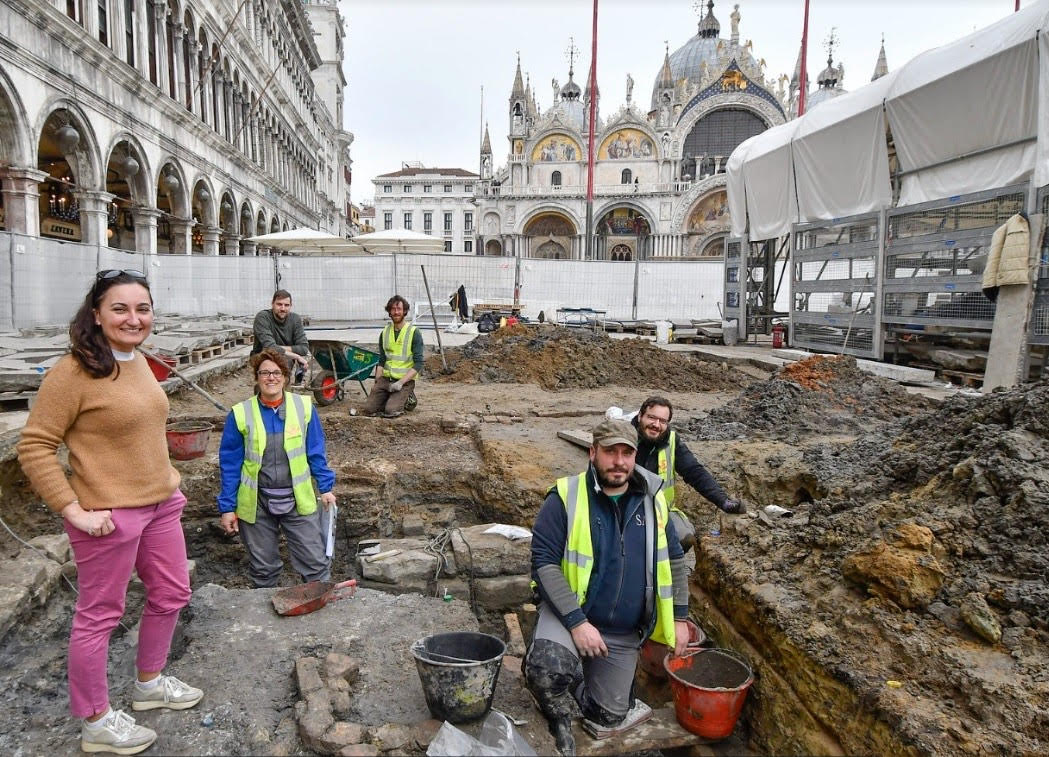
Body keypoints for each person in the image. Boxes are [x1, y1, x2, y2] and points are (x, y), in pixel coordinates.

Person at [17, 270, 202, 755]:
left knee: (171, 592)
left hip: (161, 504)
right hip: (110, 514)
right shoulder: (73, 372)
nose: (133, 318)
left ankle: (149, 684)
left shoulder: (138, 360)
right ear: (96, 314)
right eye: (120, 308)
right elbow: (35, 446)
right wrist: (71, 509)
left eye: (142, 308)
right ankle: (96, 720)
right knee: (99, 614)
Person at [525, 419, 690, 756]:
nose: (618, 461)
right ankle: (558, 712)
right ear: (592, 453)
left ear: (634, 455)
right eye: (610, 452)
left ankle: (585, 682)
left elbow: (674, 559)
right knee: (546, 669)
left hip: (622, 631)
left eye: (626, 453)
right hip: (571, 615)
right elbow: (543, 561)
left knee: (609, 715)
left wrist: (680, 618)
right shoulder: (566, 497)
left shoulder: (654, 499)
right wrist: (577, 623)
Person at [217, 348, 336, 588]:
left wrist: (325, 488)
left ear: (285, 376)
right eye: (264, 373)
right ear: (257, 377)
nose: (270, 378)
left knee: (315, 564)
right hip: (257, 502)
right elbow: (230, 465)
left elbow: (315, 451)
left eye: (276, 372)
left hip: (298, 499)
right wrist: (228, 507)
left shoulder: (303, 408)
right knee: (263, 569)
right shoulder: (240, 414)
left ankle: (320, 614)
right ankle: (264, 618)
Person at [631, 396, 745, 552]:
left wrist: (723, 501)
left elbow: (694, 471)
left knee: (684, 537)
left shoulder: (671, 441)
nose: (656, 425)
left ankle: (664, 570)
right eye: (651, 417)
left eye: (662, 421)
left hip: (659, 511)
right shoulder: (624, 436)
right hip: (626, 510)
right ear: (640, 416)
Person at [362, 294, 423, 418]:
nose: (396, 312)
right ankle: (390, 396)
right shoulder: (385, 333)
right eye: (393, 309)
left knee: (391, 411)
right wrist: (377, 382)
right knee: (369, 409)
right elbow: (382, 359)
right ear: (389, 311)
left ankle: (408, 397)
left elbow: (418, 363)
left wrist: (401, 382)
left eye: (399, 309)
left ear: (405, 311)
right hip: (386, 380)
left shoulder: (413, 333)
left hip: (404, 381)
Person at [252, 290, 309, 378]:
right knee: (271, 370)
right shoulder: (262, 317)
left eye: (286, 305)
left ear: (291, 306)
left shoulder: (295, 319)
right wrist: (296, 356)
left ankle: (282, 388)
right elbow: (268, 347)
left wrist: (276, 348)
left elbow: (304, 348)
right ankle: (263, 388)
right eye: (279, 304)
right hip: (262, 356)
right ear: (272, 304)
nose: (283, 308)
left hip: (285, 357)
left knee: (284, 363)